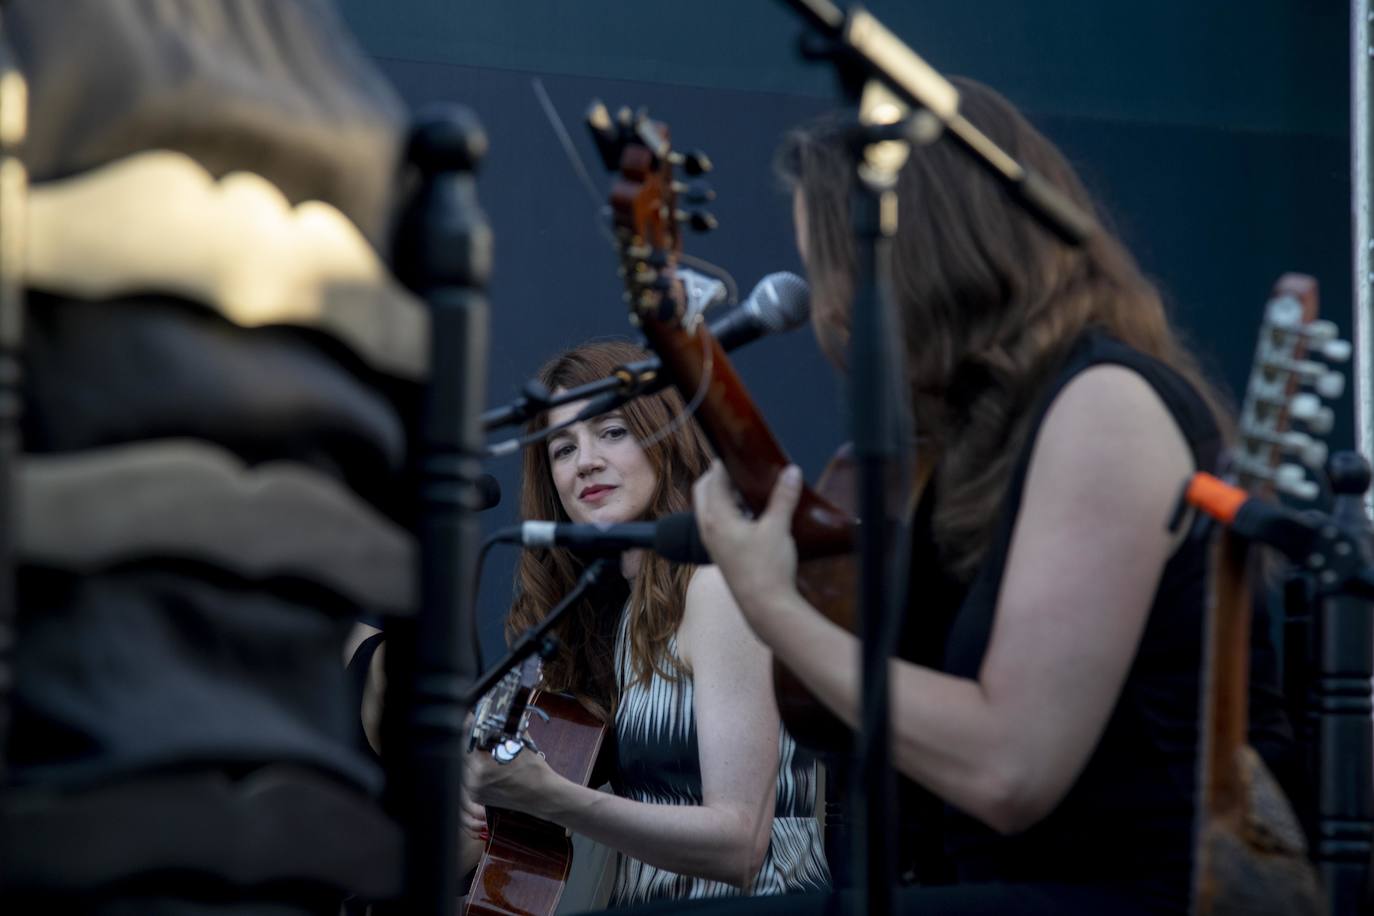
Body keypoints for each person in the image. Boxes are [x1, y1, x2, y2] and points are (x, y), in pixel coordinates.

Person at [674, 78, 1294, 914]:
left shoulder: (1105, 406)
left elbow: (1010, 768)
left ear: (921, 257)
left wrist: (769, 602)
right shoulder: (972, 448)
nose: (828, 310)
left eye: (833, 270)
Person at [461, 339, 831, 905]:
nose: (585, 461)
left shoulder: (714, 584)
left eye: (611, 431)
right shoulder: (615, 614)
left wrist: (550, 796)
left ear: (666, 435)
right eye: (562, 448)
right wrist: (478, 799)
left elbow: (740, 844)